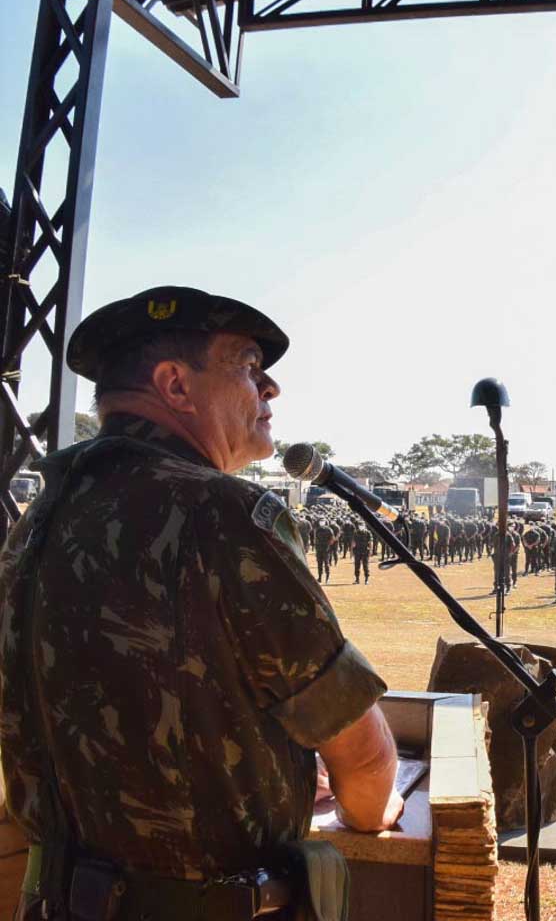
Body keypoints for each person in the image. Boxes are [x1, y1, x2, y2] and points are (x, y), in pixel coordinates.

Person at [0, 287, 402, 920]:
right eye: (247, 365)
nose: (270, 389)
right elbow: (362, 753)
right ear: (174, 385)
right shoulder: (226, 515)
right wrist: (373, 805)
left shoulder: (39, 521)